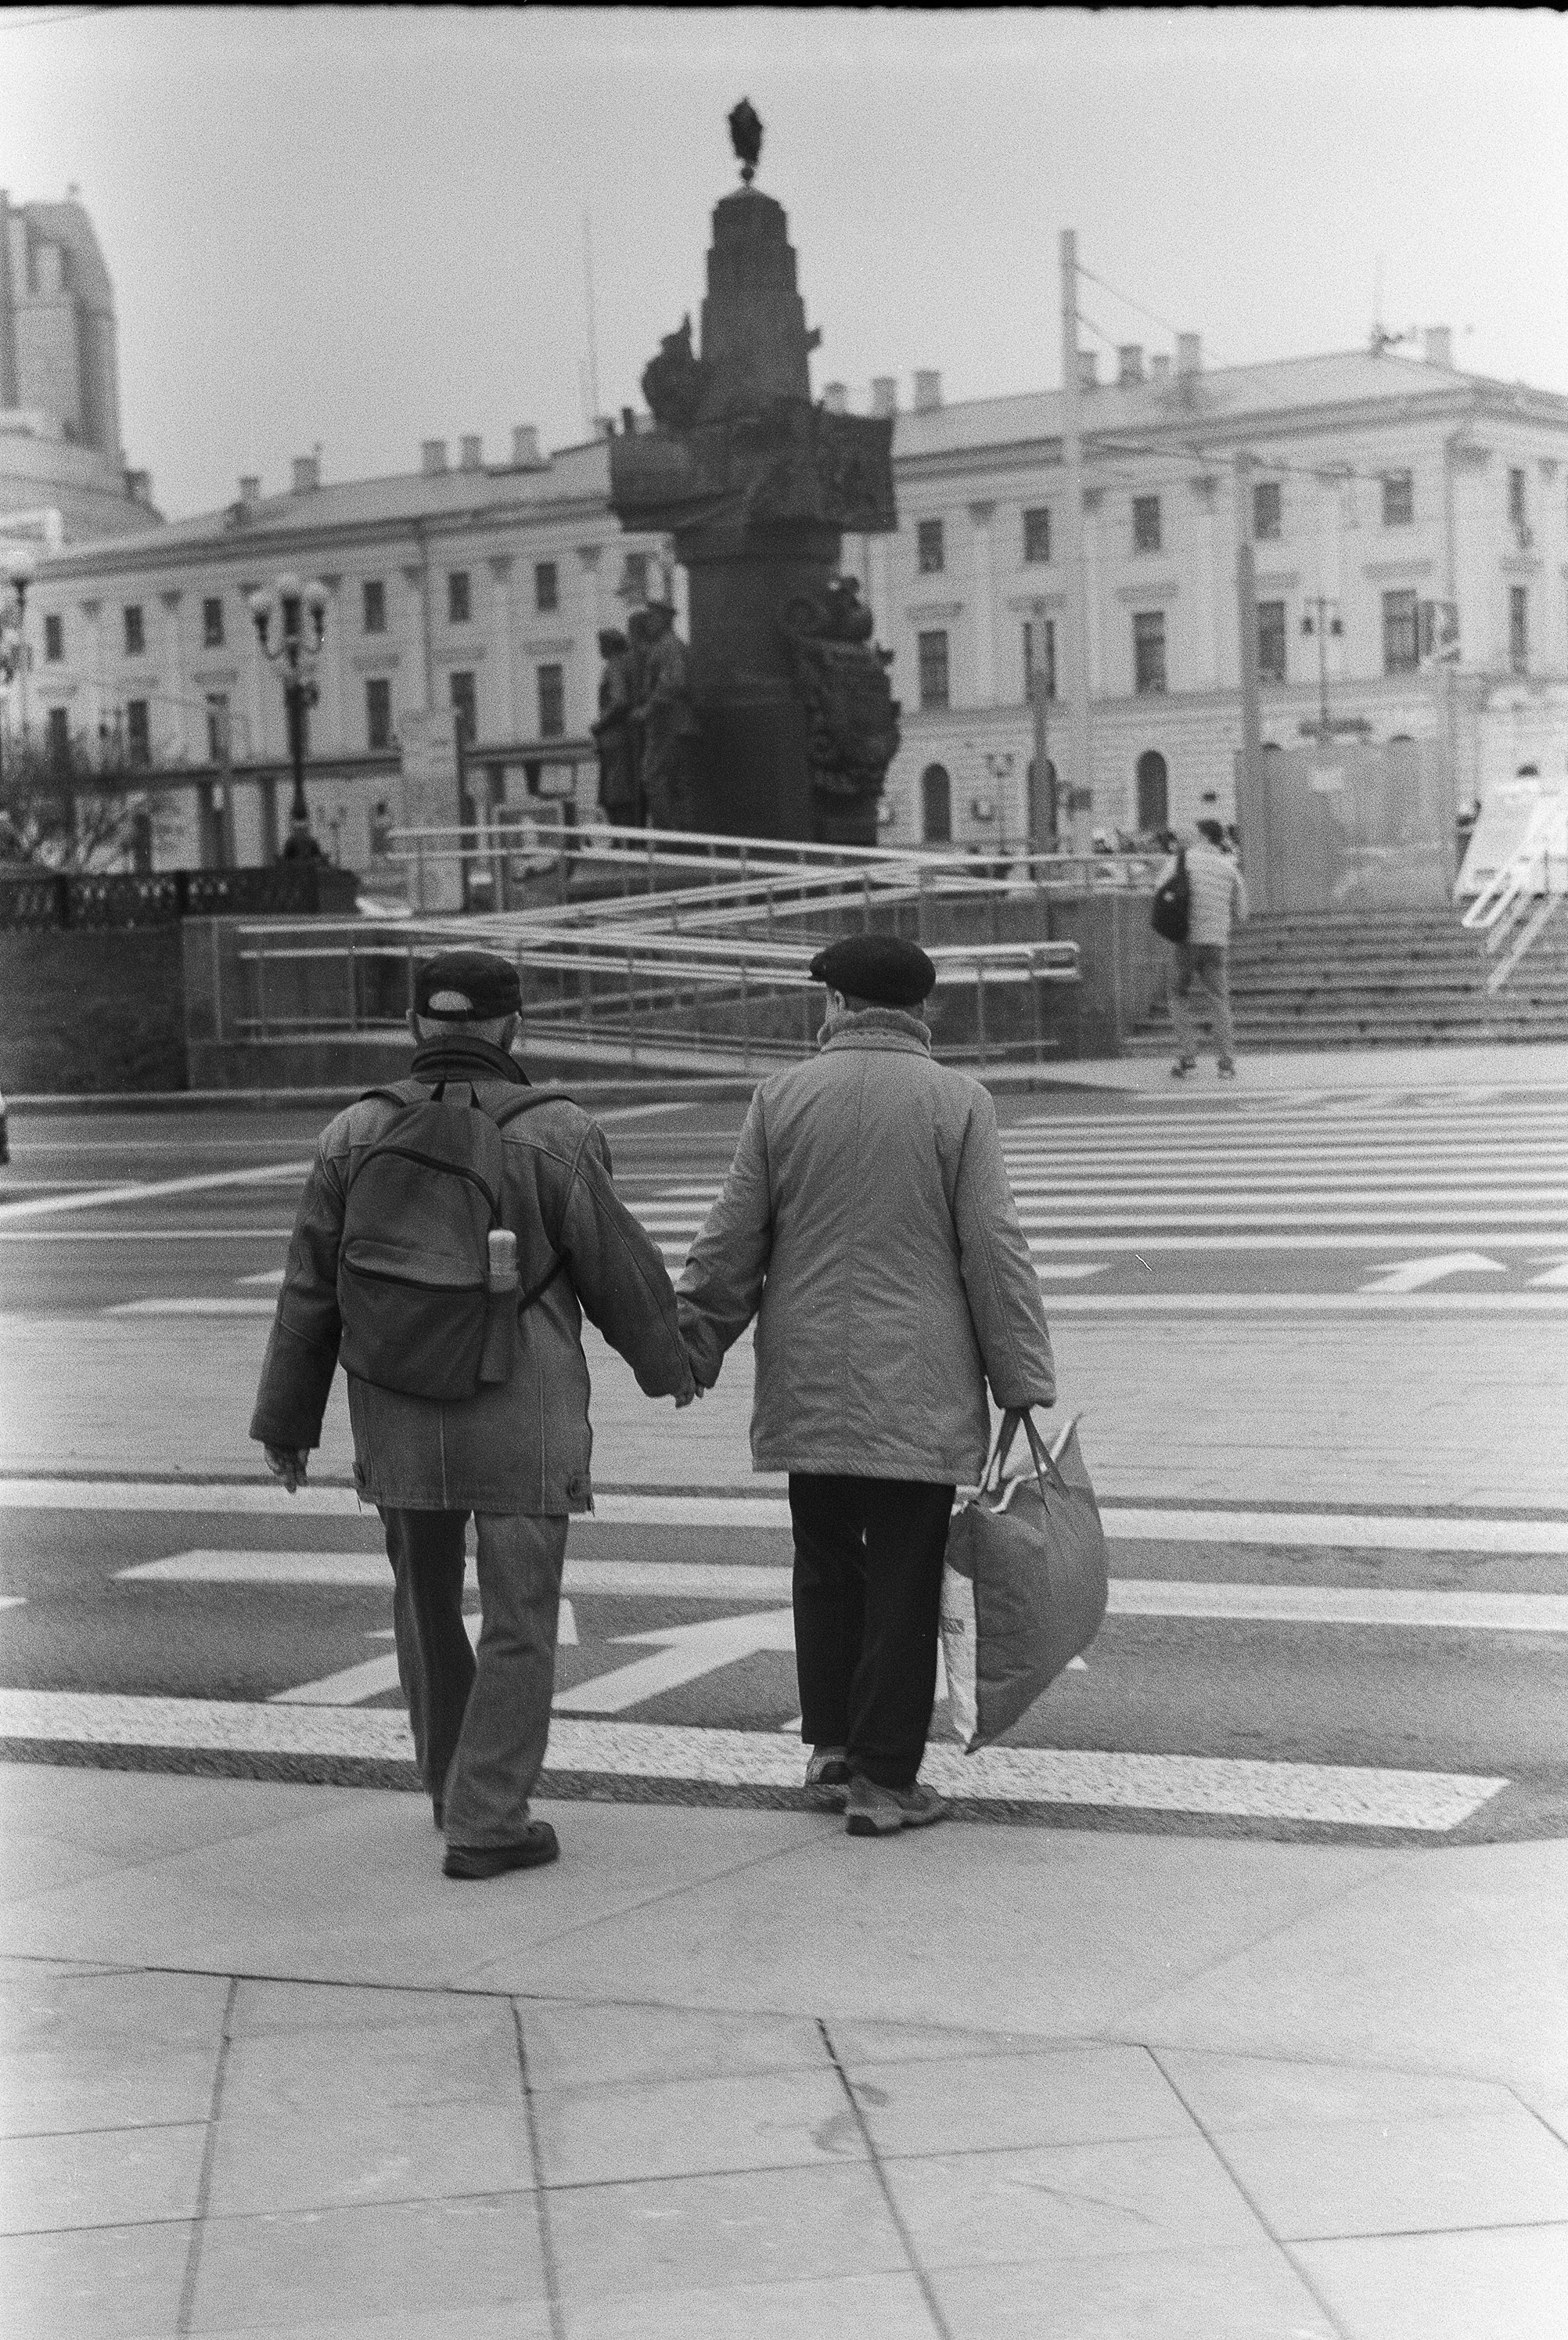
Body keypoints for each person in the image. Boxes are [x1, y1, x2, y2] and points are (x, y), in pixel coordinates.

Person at [250, 948, 696, 1880]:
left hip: (396, 1399)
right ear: (511, 1026)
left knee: (421, 1597)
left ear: (414, 1026)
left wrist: (287, 1424)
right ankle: (489, 1817)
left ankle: (451, 1786)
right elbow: (618, 1269)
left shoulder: (352, 1132)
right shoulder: (558, 1130)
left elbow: (309, 1290)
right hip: (519, 1405)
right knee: (519, 1611)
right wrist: (674, 1366)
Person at [676, 934, 1057, 1838]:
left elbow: (732, 1238)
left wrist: (690, 1344)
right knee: (902, 1572)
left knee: (825, 1563)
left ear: (841, 1006)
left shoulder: (781, 1097)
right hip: (915, 1387)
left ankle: (834, 1746)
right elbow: (991, 1247)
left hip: (808, 1379)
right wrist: (1021, 1375)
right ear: (920, 1012)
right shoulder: (957, 1102)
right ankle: (885, 1780)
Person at [1169, 814, 1248, 1079]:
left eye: (1194, 831)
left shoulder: (1181, 862)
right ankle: (1226, 1063)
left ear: (1203, 836)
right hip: (1216, 943)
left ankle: (1187, 1057)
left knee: (1178, 996)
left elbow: (1161, 893)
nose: (1189, 835)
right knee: (1219, 1000)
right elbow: (1243, 912)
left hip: (1187, 941)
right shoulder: (1228, 866)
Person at [632, 599, 697, 830]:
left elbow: (674, 683)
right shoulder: (670, 645)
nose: (649, 622)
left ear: (664, 620)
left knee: (654, 778)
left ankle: (670, 840)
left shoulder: (668, 646)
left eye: (653, 617)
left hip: (667, 725)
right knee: (679, 783)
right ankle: (685, 840)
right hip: (677, 724)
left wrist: (646, 711)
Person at [591, 628, 642, 828]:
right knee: (623, 792)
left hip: (615, 738)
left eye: (602, 644)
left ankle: (622, 842)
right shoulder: (627, 665)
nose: (600, 649)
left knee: (616, 794)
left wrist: (599, 725)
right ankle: (627, 841)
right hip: (624, 737)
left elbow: (620, 702)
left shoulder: (614, 667)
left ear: (610, 646)